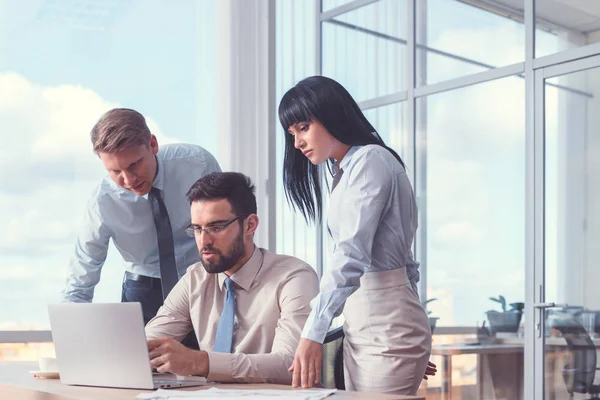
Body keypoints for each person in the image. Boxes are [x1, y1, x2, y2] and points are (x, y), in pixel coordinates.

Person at [279, 76, 433, 395]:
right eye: (292, 133)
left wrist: (313, 332)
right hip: (365, 330)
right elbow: (407, 264)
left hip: (388, 332)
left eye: (303, 127)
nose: (297, 143)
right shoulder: (345, 171)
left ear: (332, 113)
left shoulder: (371, 161)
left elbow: (350, 255)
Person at [145, 172, 319, 384]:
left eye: (216, 227)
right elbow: (146, 345)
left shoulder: (294, 277)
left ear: (250, 225)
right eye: (197, 229)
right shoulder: (194, 279)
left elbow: (290, 365)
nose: (204, 241)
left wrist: (200, 363)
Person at [62, 108, 221, 328]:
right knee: (140, 362)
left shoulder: (198, 164)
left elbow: (227, 227)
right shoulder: (103, 202)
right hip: (144, 289)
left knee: (210, 360)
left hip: (203, 280)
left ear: (153, 144)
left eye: (134, 164)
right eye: (114, 171)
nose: (128, 179)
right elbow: (83, 269)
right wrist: (71, 332)